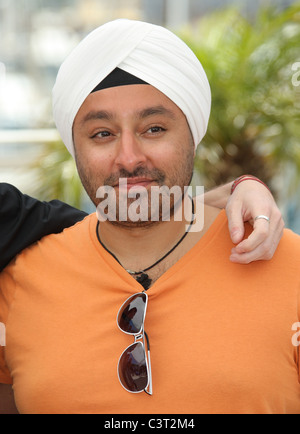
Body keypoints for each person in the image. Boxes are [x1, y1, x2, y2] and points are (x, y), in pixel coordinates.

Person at [0, 19, 298, 415]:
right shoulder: (19, 282)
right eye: (102, 134)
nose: (128, 157)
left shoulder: (290, 268)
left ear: (193, 134)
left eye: (154, 128)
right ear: (75, 147)